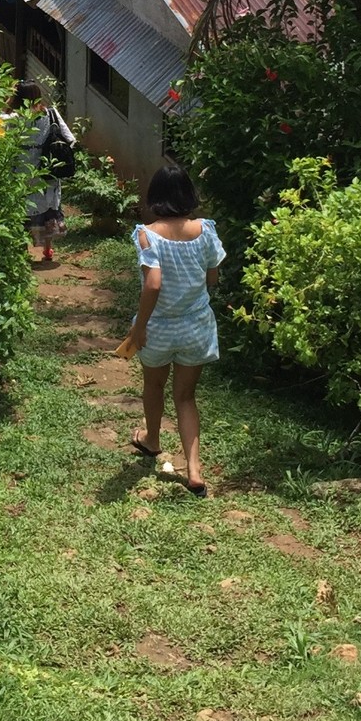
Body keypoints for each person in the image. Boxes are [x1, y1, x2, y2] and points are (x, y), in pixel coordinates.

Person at [127, 161, 225, 496]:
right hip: (196, 326)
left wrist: (138, 328)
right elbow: (212, 277)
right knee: (185, 397)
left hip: (158, 329)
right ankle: (194, 470)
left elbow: (153, 284)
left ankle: (152, 439)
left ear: (155, 197)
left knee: (154, 387)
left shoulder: (146, 234)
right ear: (188, 194)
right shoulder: (206, 230)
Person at [8, 79, 75, 264]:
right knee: (48, 209)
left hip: (21, 172)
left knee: (21, 213)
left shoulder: (12, 119)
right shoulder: (50, 113)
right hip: (47, 170)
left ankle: (22, 252)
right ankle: (47, 250)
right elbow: (70, 139)